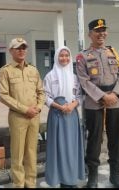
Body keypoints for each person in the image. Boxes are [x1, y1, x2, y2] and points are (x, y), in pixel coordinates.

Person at [75, 19, 119, 188]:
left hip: (116, 101)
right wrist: (102, 96)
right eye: (97, 31)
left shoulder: (113, 52)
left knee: (115, 139)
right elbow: (83, 81)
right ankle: (92, 177)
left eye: (104, 30)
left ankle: (115, 175)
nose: (101, 34)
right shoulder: (82, 56)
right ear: (90, 34)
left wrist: (115, 94)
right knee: (94, 140)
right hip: (94, 103)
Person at [0, 37, 45, 188]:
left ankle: (31, 184)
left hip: (34, 117)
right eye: (18, 48)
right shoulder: (5, 70)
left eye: (24, 47)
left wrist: (38, 107)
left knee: (31, 153)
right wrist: (25, 109)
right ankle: (18, 184)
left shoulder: (33, 69)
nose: (21, 50)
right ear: (11, 51)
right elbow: (3, 95)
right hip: (18, 117)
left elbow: (41, 92)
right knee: (17, 154)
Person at [43, 46, 85, 188]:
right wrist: (60, 107)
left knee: (71, 147)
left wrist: (73, 105)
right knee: (58, 148)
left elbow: (79, 96)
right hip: (56, 115)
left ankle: (71, 178)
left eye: (67, 55)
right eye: (61, 55)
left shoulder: (74, 77)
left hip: (71, 116)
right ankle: (59, 178)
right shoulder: (50, 76)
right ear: (56, 57)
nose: (64, 58)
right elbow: (45, 96)